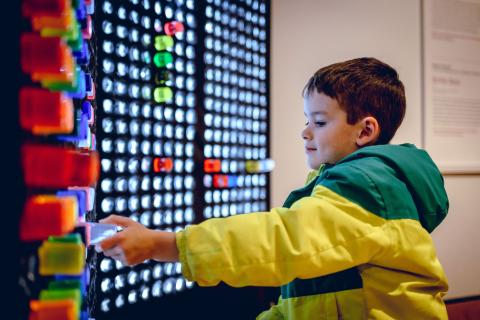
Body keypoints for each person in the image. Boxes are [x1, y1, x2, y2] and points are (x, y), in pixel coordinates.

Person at [98, 57, 449, 319]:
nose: (305, 132)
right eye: (306, 119)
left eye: (320, 121)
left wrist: (169, 245)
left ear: (365, 131)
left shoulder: (369, 187)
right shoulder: (356, 186)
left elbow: (283, 241)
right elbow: (308, 300)